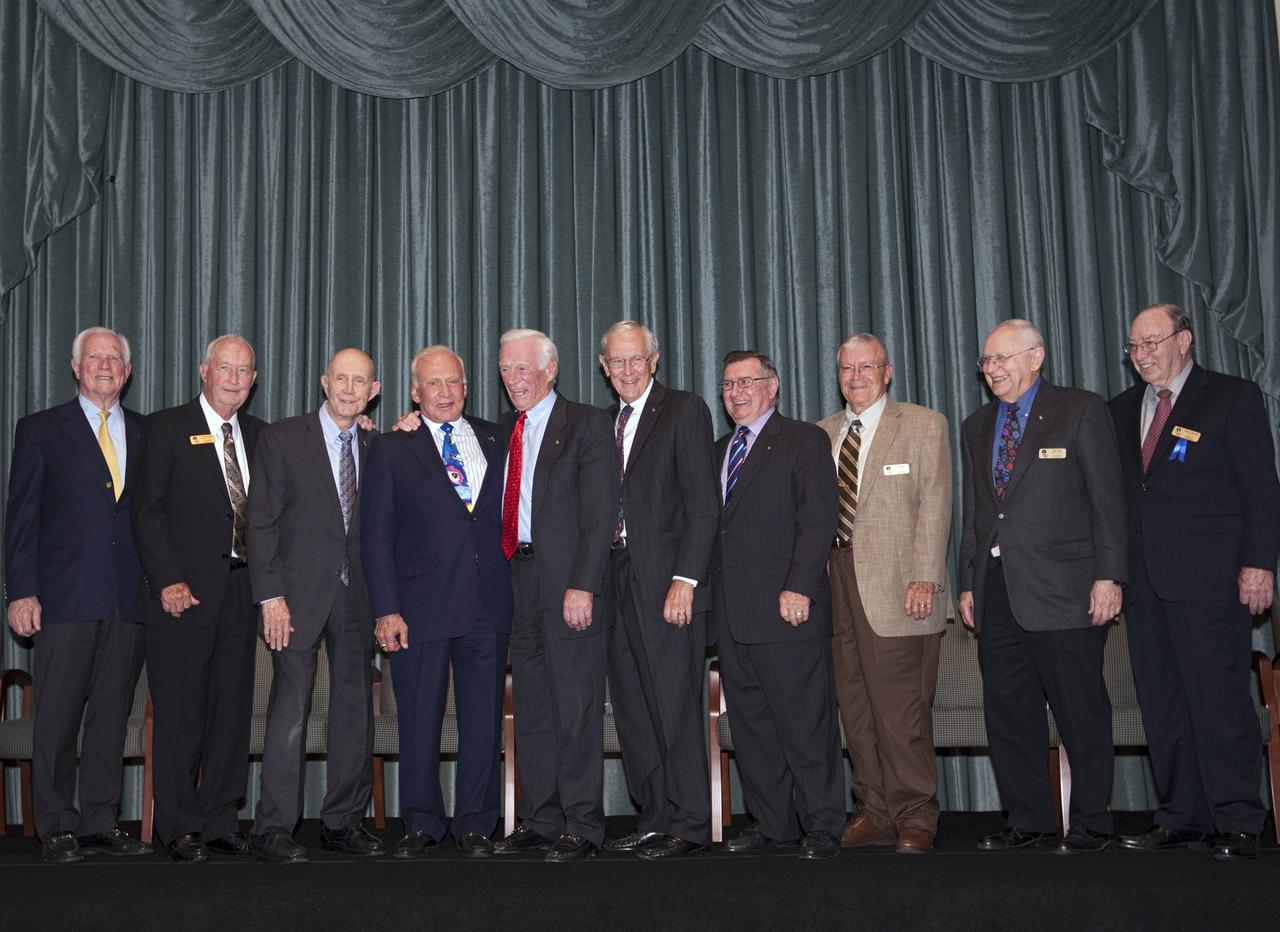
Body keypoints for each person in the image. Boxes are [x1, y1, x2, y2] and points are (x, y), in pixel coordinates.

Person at [1109, 303, 1280, 862]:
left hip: (1210, 580)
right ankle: (1181, 816)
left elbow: (1262, 490)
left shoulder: (1232, 397)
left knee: (1219, 700)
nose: (1142, 355)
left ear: (1185, 340)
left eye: (1152, 342)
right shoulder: (1120, 410)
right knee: (1163, 705)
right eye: (1134, 347)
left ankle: (1238, 819)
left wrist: (1260, 563)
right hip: (1143, 584)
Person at [958, 319, 1125, 855]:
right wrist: (968, 583)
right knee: (1008, 712)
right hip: (998, 590)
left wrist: (1109, 575)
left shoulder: (1079, 409)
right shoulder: (977, 424)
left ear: (1037, 357)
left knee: (1081, 709)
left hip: (1067, 589)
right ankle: (1028, 820)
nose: (993, 369)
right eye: (986, 361)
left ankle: (1093, 822)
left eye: (1003, 357)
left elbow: (1107, 500)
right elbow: (978, 515)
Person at [3, 327, 151, 863]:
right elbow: (21, 518)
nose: (105, 365)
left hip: (128, 601)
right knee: (58, 718)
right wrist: (21, 591)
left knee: (111, 718)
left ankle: (99, 820)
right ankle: (56, 824)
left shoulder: (145, 431)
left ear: (128, 372)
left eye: (114, 358)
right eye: (94, 358)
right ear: (75, 367)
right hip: (63, 599)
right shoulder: (41, 430)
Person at [361, 346, 513, 859]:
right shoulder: (390, 448)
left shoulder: (500, 436)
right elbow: (374, 537)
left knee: (482, 722)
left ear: (466, 387)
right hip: (417, 608)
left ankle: (476, 823)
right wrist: (386, 608)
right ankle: (422, 822)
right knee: (419, 721)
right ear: (414, 393)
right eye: (432, 384)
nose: (444, 392)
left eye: (452, 382)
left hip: (488, 604)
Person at [816, 333, 952, 855]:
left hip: (900, 588)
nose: (855, 376)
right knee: (854, 706)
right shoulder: (821, 433)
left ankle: (917, 814)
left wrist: (925, 576)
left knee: (901, 711)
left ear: (887, 371)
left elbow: (936, 503)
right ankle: (874, 810)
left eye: (866, 366)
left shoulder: (921, 424)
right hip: (835, 582)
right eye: (846, 368)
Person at [246, 348, 384, 863]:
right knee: (290, 709)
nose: (349, 389)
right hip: (295, 599)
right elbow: (259, 522)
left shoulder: (378, 445)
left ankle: (343, 821)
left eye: (360, 382)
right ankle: (275, 827)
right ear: (324, 382)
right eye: (341, 379)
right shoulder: (282, 438)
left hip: (357, 597)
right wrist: (271, 596)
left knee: (354, 712)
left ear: (373, 390)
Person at [132, 334, 266, 862]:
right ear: (203, 371)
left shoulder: (262, 435)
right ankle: (180, 825)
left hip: (242, 591)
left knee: (231, 712)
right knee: (182, 715)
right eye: (224, 368)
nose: (234, 378)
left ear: (254, 381)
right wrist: (167, 579)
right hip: (182, 596)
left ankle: (219, 820)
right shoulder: (165, 427)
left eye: (244, 370)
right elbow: (146, 511)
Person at [490, 328, 617, 863]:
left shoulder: (587, 425)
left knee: (576, 705)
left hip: (568, 585)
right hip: (516, 581)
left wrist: (583, 584)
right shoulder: (500, 430)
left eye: (524, 369)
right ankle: (539, 819)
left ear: (551, 371)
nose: (514, 379)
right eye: (506, 370)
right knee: (533, 707)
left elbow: (600, 513)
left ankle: (582, 823)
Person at [712, 350, 844, 860]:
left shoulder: (804, 440)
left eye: (747, 381)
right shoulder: (720, 448)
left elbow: (818, 519)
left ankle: (823, 825)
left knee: (805, 724)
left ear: (774, 385)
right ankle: (773, 824)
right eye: (727, 384)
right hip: (732, 614)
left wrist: (799, 586)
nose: (736, 391)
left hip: (788, 609)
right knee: (753, 729)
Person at [594, 321, 719, 860]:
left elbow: (702, 504)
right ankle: (654, 815)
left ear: (654, 360)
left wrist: (685, 580)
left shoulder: (685, 410)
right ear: (603, 367)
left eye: (634, 360)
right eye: (615, 362)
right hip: (613, 582)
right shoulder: (600, 424)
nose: (626, 370)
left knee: (673, 704)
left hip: (668, 585)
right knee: (633, 707)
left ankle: (690, 823)